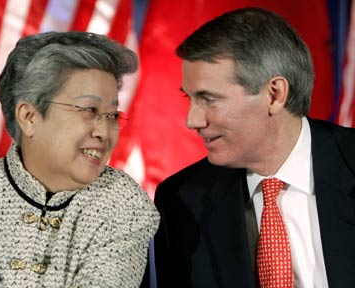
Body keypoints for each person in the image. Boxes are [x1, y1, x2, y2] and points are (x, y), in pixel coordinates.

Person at [149, 7, 355, 288]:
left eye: (209, 99)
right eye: (190, 98)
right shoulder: (181, 201)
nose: (192, 120)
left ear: (274, 94)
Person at [0, 31, 159, 287]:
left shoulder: (122, 202)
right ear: (29, 117)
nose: (104, 132)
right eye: (90, 110)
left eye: (112, 116)